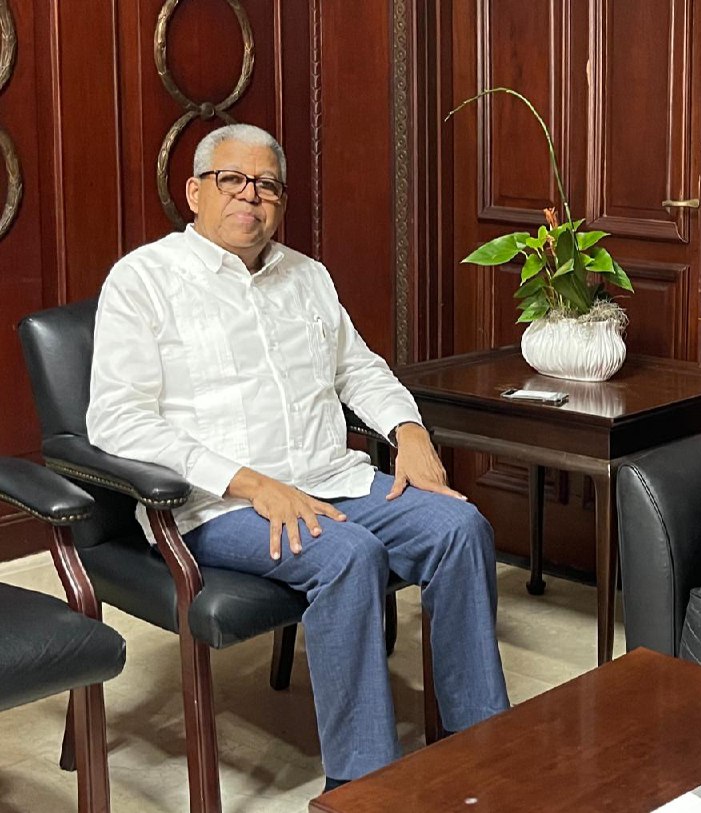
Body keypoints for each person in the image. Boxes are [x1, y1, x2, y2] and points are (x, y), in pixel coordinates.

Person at [86, 123, 510, 789]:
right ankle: (362, 785)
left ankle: (481, 746)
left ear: (281, 201)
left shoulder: (307, 277)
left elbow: (359, 370)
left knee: (460, 527)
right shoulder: (143, 281)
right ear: (194, 192)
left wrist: (409, 431)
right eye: (232, 179)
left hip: (332, 478)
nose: (250, 196)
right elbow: (117, 419)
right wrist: (252, 483)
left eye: (267, 185)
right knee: (348, 555)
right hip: (217, 506)